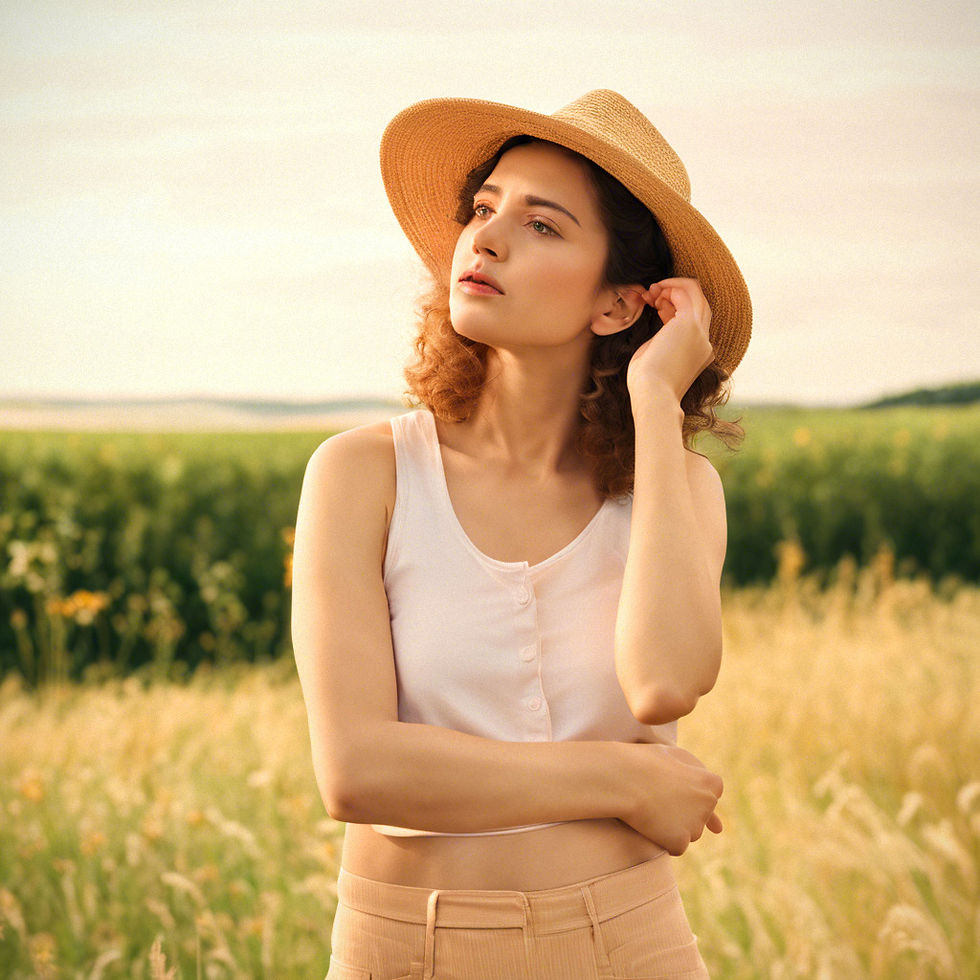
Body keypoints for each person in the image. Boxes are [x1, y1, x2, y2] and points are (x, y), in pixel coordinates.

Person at [292, 89, 751, 980]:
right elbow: (355, 769)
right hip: (405, 946)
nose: (486, 238)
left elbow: (663, 683)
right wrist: (625, 780)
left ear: (618, 305)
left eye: (542, 225)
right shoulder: (362, 475)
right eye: (484, 208)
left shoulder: (679, 487)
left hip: (634, 941)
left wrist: (654, 404)